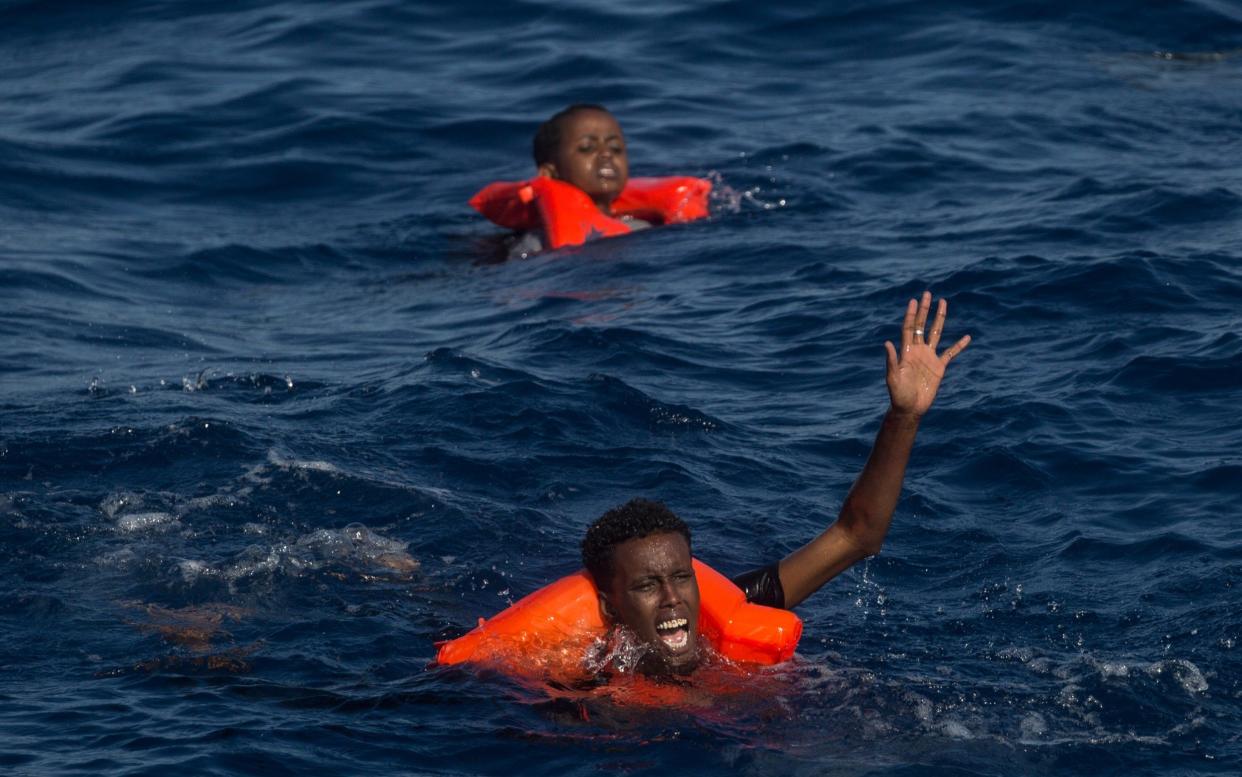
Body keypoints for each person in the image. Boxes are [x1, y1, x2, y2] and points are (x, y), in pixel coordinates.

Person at [580, 292, 971, 675]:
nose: (672, 600)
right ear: (610, 606)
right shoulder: (583, 693)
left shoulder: (736, 610)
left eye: (682, 577)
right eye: (647, 586)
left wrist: (904, 416)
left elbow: (857, 535)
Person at [507, 104, 650, 257]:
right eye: (586, 148)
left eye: (616, 148)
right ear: (548, 173)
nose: (606, 154)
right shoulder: (533, 245)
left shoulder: (644, 229)